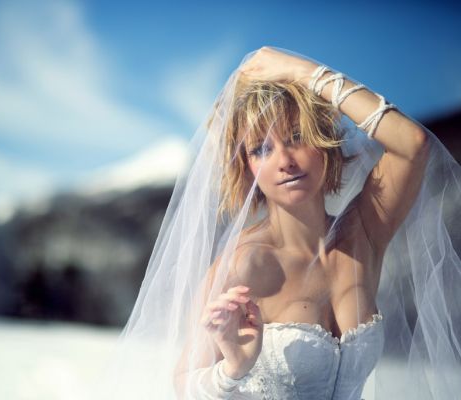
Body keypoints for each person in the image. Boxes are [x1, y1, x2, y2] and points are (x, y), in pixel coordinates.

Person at [95, 47, 461, 400]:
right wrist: (232, 369)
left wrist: (306, 73)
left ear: (325, 142)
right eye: (261, 149)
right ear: (247, 167)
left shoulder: (363, 234)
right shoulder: (245, 265)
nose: (284, 160)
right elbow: (184, 382)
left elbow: (411, 143)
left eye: (297, 137)